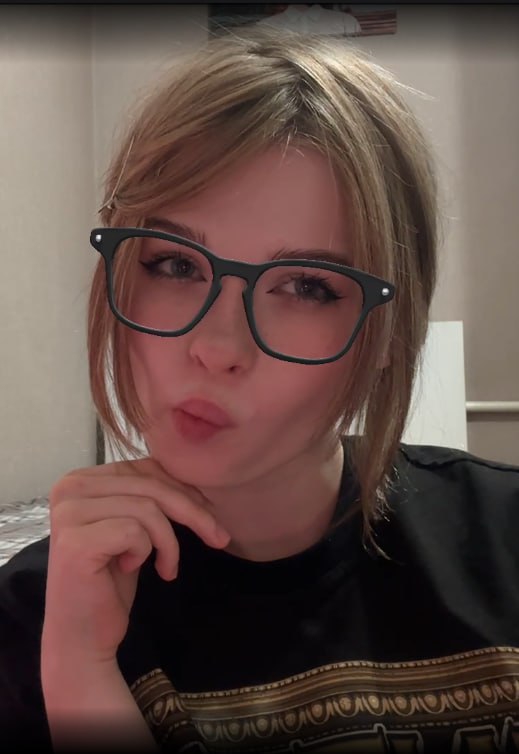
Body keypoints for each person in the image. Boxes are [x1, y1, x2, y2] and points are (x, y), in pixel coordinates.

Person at [1, 26, 518, 754]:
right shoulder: (37, 612)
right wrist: (81, 674)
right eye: (175, 265)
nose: (216, 348)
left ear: (386, 335)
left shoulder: (503, 539)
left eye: (306, 286)